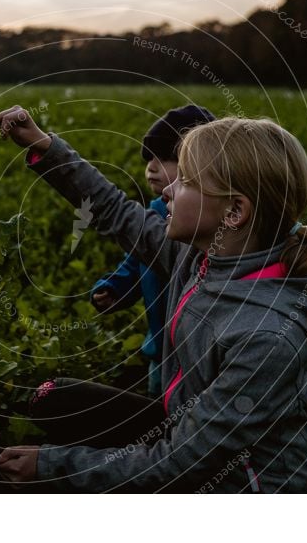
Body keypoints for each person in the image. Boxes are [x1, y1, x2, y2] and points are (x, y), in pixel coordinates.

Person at [0, 106, 307, 493]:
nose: (168, 189)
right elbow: (118, 213)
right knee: (56, 399)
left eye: (185, 180)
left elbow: (180, 462)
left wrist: (55, 466)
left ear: (234, 211)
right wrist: (43, 145)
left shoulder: (265, 338)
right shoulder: (206, 257)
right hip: (184, 426)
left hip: (234, 486)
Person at [91, 105, 216, 397]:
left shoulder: (204, 225)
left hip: (197, 356)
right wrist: (116, 288)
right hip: (159, 350)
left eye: (164, 159)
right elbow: (137, 260)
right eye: (149, 159)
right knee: (157, 407)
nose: (151, 168)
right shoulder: (156, 214)